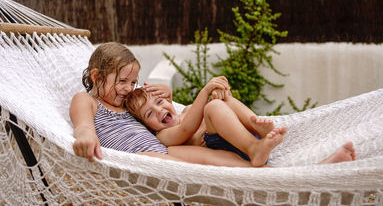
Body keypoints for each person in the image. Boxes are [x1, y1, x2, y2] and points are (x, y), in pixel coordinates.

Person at [70, 41, 356, 167]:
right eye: (122, 81)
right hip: (144, 159)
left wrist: (166, 96)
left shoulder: (129, 102)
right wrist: (85, 134)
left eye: (132, 82)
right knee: (221, 169)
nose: (127, 89)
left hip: (169, 150)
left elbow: (157, 114)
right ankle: (314, 172)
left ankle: (312, 170)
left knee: (242, 171)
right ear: (96, 76)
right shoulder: (87, 99)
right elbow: (83, 123)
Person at [126, 77, 287, 167]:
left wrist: (219, 91)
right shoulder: (163, 136)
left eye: (160, 102)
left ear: (168, 100)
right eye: (149, 114)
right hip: (238, 153)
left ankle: (259, 130)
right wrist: (206, 91)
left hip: (254, 140)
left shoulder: (188, 110)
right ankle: (254, 147)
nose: (159, 110)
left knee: (224, 101)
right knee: (213, 107)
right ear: (147, 126)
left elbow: (218, 109)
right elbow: (186, 129)